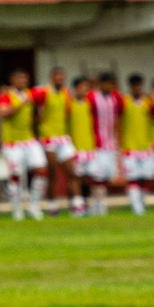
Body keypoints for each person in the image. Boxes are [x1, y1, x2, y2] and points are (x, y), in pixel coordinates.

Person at [0, 69, 48, 221]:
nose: (22, 81)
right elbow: (4, 113)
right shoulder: (6, 96)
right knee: (15, 176)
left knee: (41, 170)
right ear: (12, 80)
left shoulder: (31, 94)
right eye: (18, 78)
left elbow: (46, 93)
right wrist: (21, 103)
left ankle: (33, 206)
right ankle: (17, 209)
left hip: (29, 140)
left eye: (24, 78)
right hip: (12, 142)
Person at [31, 69, 77, 216]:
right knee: (52, 174)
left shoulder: (66, 93)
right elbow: (29, 103)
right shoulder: (42, 92)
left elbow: (68, 113)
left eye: (62, 77)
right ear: (51, 78)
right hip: (48, 137)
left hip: (62, 137)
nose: (60, 80)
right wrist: (36, 121)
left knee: (72, 171)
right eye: (57, 77)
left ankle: (75, 204)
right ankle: (52, 204)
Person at [86, 72, 124, 216]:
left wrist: (119, 141)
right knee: (97, 176)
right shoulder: (92, 97)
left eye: (111, 84)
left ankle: (98, 202)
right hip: (96, 143)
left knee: (107, 176)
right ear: (100, 84)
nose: (109, 86)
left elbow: (120, 117)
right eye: (106, 83)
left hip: (111, 143)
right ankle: (98, 205)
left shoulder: (117, 98)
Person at [121, 75, 154, 216]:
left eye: (139, 85)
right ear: (130, 87)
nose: (137, 88)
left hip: (146, 146)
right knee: (132, 178)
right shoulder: (124, 102)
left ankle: (141, 203)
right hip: (129, 147)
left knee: (144, 178)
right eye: (134, 86)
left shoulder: (148, 102)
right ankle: (136, 207)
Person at [67, 77, 95, 217]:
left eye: (87, 88)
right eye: (82, 87)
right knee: (75, 177)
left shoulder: (90, 104)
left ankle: (84, 203)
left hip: (89, 146)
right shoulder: (69, 104)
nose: (85, 91)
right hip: (74, 147)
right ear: (76, 89)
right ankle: (75, 205)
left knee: (86, 178)